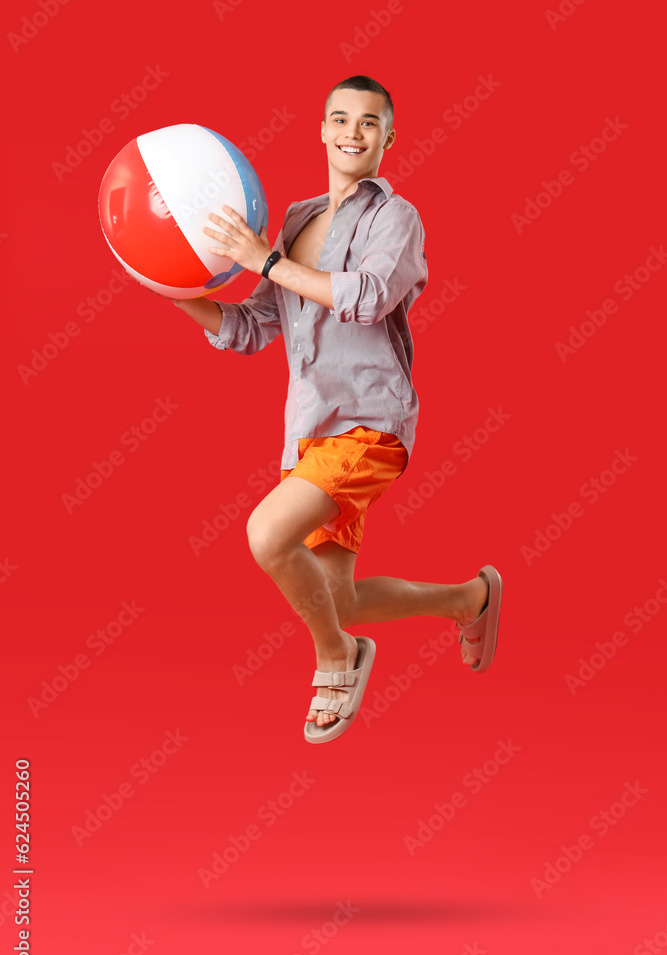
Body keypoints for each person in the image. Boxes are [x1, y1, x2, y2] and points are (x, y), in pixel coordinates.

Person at [153, 75, 502, 742]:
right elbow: (250, 328)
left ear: (388, 138)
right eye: (339, 118)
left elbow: (367, 296)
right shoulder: (291, 220)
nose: (351, 131)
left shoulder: (395, 219)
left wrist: (265, 262)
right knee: (338, 597)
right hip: (307, 436)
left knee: (266, 535)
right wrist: (165, 278)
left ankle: (336, 658)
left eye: (368, 122)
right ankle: (470, 599)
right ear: (319, 129)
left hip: (370, 422)